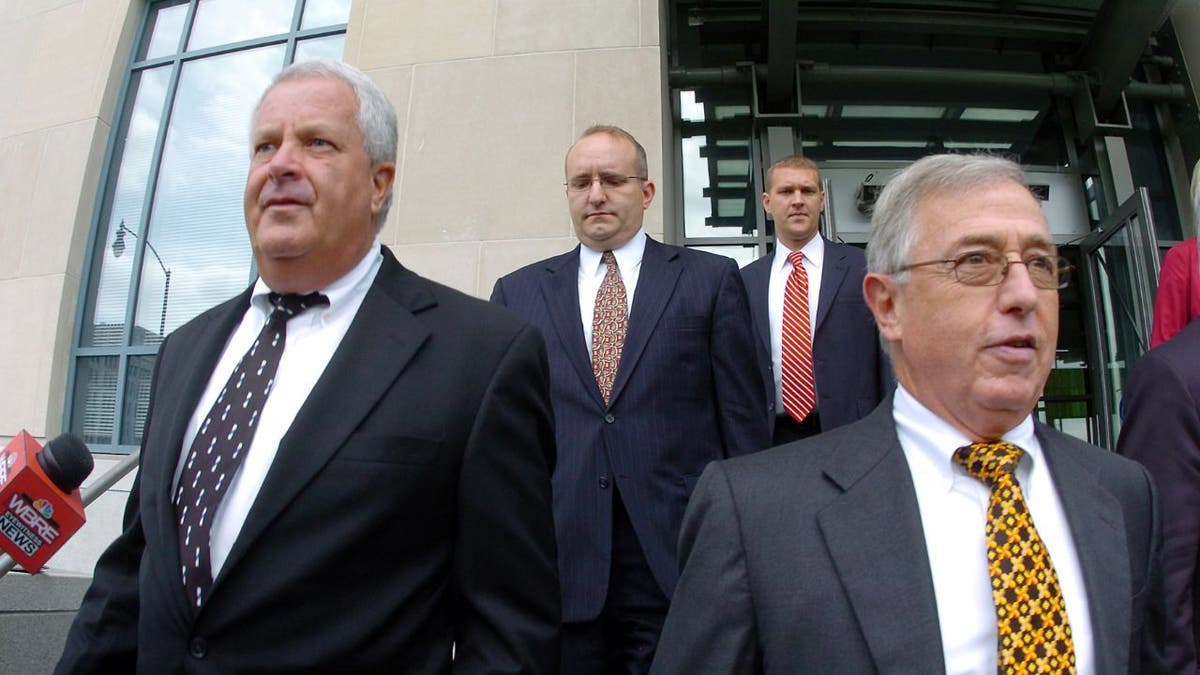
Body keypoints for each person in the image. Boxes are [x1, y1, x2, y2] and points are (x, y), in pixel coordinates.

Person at [57, 60, 560, 674]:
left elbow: (510, 635)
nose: (280, 164)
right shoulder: (185, 349)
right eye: (265, 145)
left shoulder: (482, 357)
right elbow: (133, 573)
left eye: (316, 142)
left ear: (379, 184)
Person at [651, 153, 1165, 673]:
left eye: (1040, 263)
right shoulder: (753, 516)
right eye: (976, 261)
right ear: (889, 307)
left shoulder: (1126, 494)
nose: (1024, 295)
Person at [491, 125, 768, 674]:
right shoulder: (517, 293)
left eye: (612, 180)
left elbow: (742, 422)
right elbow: (506, 441)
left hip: (677, 552)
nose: (595, 194)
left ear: (645, 192)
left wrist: (752, 541)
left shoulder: (710, 280)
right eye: (581, 182)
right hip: (563, 556)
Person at [740, 155, 891, 443]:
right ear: (767, 202)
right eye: (786, 191)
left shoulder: (865, 268)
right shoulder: (745, 282)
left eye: (807, 191)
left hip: (852, 431)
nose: (797, 200)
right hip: (770, 437)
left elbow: (887, 356)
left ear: (822, 200)